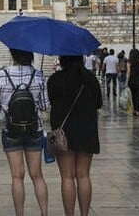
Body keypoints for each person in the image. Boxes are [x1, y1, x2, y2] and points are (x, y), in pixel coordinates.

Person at [0, 48, 49, 216]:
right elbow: (45, 106)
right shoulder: (38, 75)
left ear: (12, 55)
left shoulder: (2, 75)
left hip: (11, 130)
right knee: (37, 175)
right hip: (34, 129)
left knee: (17, 176)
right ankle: (44, 213)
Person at [47, 55, 102, 216]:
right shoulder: (90, 79)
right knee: (84, 175)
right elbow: (99, 103)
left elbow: (50, 100)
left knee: (67, 177)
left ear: (63, 59)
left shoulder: (55, 79)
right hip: (87, 130)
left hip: (63, 133)